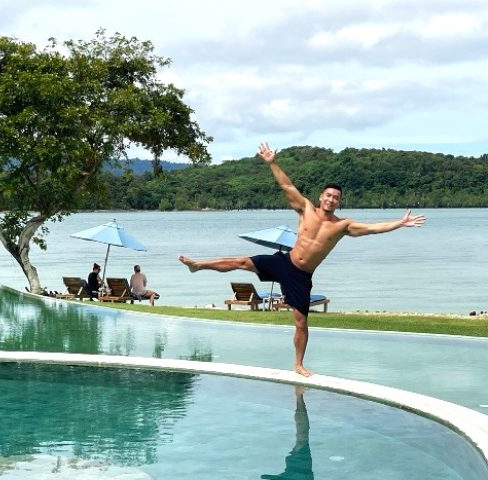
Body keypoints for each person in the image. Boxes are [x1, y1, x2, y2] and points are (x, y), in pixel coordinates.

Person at [179, 142, 426, 377]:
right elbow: (287, 187)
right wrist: (272, 163)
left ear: (339, 201)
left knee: (301, 322)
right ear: (321, 197)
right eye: (328, 195)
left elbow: (374, 228)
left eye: (336, 197)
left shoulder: (343, 226)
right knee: (242, 261)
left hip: (301, 276)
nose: (331, 199)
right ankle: (198, 265)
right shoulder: (305, 208)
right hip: (285, 262)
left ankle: (298, 364)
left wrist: (400, 223)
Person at [261, 386, 314, 480]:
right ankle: (299, 396)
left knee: (302, 438)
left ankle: (299, 396)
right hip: (301, 470)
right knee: (302, 438)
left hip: (301, 470)